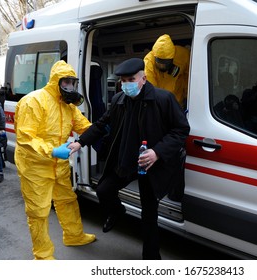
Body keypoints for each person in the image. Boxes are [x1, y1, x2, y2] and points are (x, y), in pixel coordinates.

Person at [69, 58, 190, 259]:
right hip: (126, 160)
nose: (126, 84)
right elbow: (100, 124)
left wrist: (157, 152)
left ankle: (151, 259)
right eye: (123, 81)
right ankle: (117, 211)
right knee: (104, 190)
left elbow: (181, 129)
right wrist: (80, 142)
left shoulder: (163, 99)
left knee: (149, 214)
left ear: (143, 78)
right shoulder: (119, 100)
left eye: (131, 79)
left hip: (151, 165)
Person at [14, 60, 96, 260]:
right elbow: (26, 137)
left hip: (58, 165)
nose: (70, 87)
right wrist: (51, 151)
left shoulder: (68, 106)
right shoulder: (34, 101)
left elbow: (84, 126)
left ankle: (74, 236)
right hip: (35, 166)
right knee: (38, 211)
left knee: (67, 200)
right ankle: (42, 256)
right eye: (66, 82)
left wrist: (104, 130)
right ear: (56, 82)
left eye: (73, 83)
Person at [144, 34, 190, 109]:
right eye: (159, 63)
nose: (162, 66)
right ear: (155, 57)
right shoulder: (149, 61)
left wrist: (187, 95)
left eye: (165, 63)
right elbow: (150, 88)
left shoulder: (183, 55)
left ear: (172, 57)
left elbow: (189, 76)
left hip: (178, 102)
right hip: (160, 104)